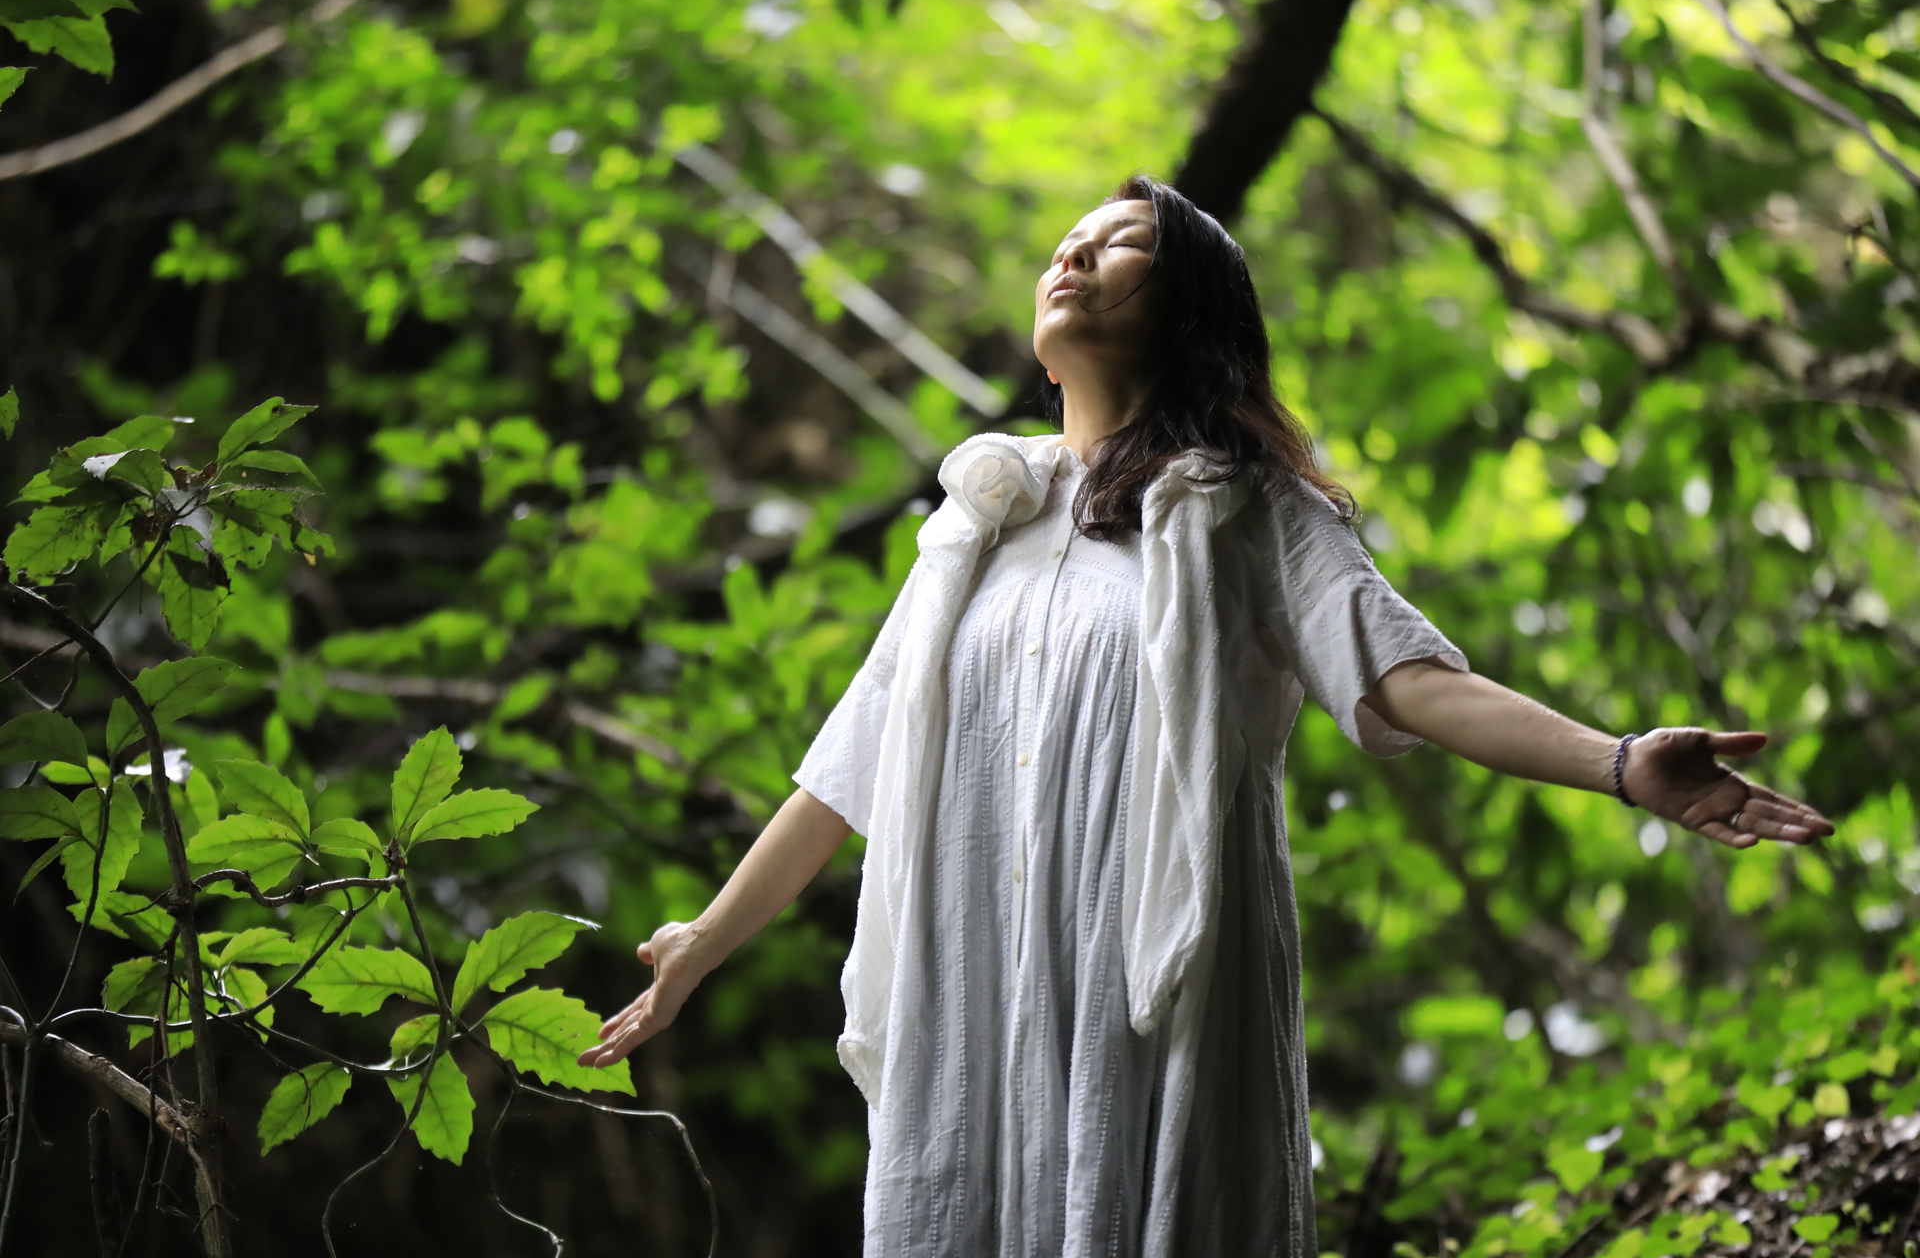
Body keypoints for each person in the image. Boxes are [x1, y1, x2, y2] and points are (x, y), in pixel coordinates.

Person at [580, 175, 1833, 1257]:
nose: (1073, 254)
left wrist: (1620, 763)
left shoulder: (1247, 510)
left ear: (1189, 307)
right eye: (1066, 238)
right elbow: (847, 768)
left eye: (1120, 241)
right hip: (973, 985)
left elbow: (1407, 679)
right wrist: (704, 938)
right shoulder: (980, 521)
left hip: (1151, 988)